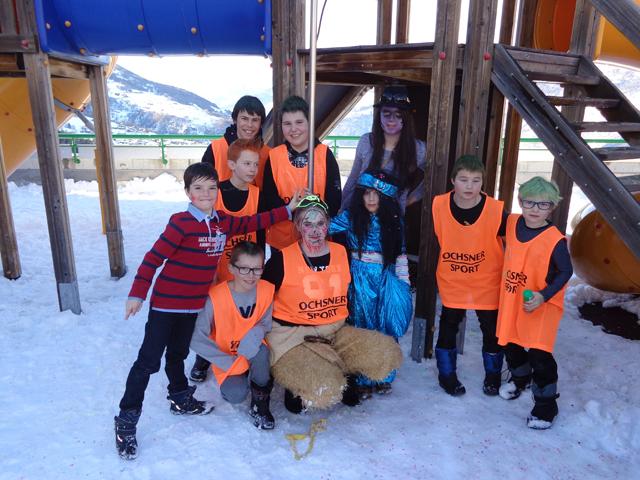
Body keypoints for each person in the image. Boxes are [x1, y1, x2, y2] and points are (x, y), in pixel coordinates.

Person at [114, 162, 301, 460]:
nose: (205, 193)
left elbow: (252, 221)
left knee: (178, 354)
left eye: (211, 187)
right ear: (187, 192)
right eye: (198, 188)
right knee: (148, 362)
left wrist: (287, 210)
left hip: (193, 305)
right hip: (166, 304)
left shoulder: (221, 222)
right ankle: (126, 421)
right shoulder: (181, 223)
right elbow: (153, 258)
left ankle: (179, 397)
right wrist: (138, 293)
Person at [261, 195, 402, 413]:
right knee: (325, 388)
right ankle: (298, 383)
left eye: (320, 223)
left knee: (386, 353)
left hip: (335, 332)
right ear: (297, 226)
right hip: (293, 337)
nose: (315, 231)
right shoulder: (281, 259)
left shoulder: (341, 252)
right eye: (307, 224)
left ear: (328, 224)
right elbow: (261, 299)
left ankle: (343, 371)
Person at [189, 138, 282, 383]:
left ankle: (248, 353)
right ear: (231, 164)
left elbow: (266, 224)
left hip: (245, 270)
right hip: (217, 267)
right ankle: (205, 356)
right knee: (212, 313)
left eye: (256, 164)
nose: (253, 169)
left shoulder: (258, 195)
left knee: (242, 314)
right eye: (247, 163)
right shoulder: (214, 193)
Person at [496, 176, 573, 430]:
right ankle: (520, 378)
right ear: (520, 202)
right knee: (511, 342)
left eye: (543, 204)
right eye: (529, 202)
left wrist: (544, 295)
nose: (535, 209)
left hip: (541, 303)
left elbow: (566, 271)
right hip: (513, 298)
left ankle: (546, 405)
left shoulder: (554, 239)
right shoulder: (512, 222)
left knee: (539, 354)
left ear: (552, 207)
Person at [328, 170, 412, 397]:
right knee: (361, 325)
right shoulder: (351, 217)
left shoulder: (394, 221)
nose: (371, 198)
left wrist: (403, 284)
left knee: (385, 324)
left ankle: (384, 374)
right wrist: (310, 208)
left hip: (386, 277)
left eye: (376, 194)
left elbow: (401, 253)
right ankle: (362, 376)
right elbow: (325, 226)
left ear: (385, 197)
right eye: (367, 193)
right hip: (359, 278)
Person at [431, 155, 508, 397]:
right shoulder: (439, 205)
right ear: (453, 180)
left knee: (491, 330)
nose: (469, 186)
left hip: (487, 279)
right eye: (463, 179)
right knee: (448, 326)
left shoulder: (496, 210)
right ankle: (446, 375)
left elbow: (515, 241)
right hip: (453, 277)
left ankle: (493, 376)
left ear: (482, 183)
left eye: (476, 180)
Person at [190, 241, 276, 430]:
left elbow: (266, 322)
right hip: (227, 355)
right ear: (231, 268)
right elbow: (195, 337)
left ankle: (260, 404)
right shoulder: (215, 296)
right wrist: (225, 361)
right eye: (244, 269)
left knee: (262, 353)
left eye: (257, 269)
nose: (251, 275)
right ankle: (240, 378)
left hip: (252, 349)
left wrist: (256, 332)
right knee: (236, 395)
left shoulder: (266, 289)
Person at [262, 95, 342, 251]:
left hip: (317, 240)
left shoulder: (325, 154)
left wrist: (312, 217)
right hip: (282, 242)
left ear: (309, 123)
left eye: (299, 122)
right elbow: (269, 199)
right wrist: (294, 214)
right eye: (287, 124)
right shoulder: (274, 156)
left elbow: (334, 200)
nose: (293, 129)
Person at [340, 85, 427, 215]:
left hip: (391, 220)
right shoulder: (366, 141)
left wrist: (409, 200)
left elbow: (433, 175)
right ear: (379, 116)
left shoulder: (418, 149)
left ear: (406, 118)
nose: (391, 119)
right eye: (386, 114)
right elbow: (353, 179)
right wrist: (341, 210)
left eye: (398, 115)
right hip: (358, 216)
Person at [201, 95, 270, 188]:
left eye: (255, 120)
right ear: (235, 119)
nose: (249, 125)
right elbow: (202, 186)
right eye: (244, 118)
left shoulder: (268, 154)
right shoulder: (215, 149)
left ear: (261, 123)